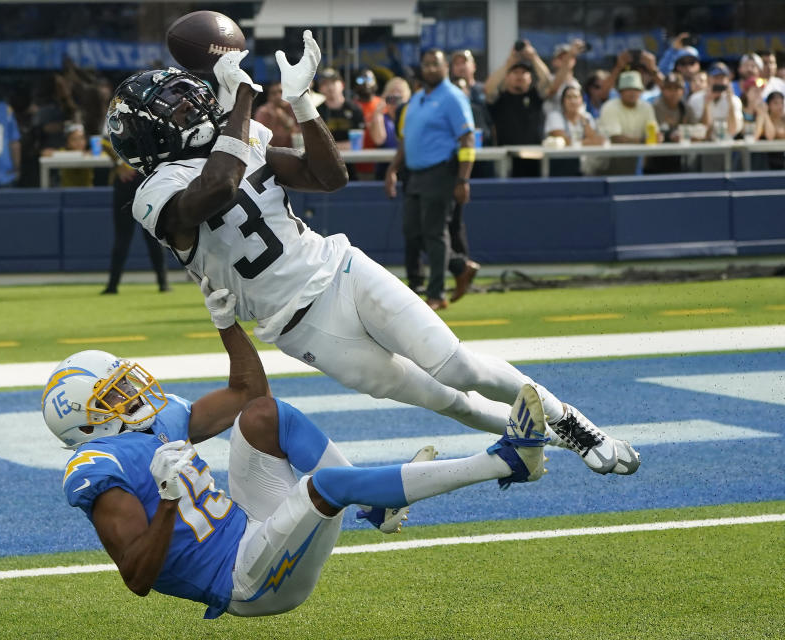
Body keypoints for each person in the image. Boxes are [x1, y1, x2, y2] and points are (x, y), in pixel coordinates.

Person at [105, 33, 640, 480]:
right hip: (298, 326)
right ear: (149, 131)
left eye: (185, 95)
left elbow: (329, 177)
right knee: (445, 400)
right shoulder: (153, 194)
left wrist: (301, 102)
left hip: (342, 270)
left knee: (459, 365)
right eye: (172, 105)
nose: (190, 105)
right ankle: (544, 437)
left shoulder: (241, 137)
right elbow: (217, 187)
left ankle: (572, 422)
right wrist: (242, 98)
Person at [42, 276, 553, 617]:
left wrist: (226, 325)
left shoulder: (153, 425)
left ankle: (376, 505)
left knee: (267, 416)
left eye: (125, 384)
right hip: (243, 580)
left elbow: (249, 394)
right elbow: (135, 576)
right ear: (85, 426)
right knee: (323, 486)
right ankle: (506, 460)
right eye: (116, 394)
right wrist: (170, 501)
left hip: (249, 522)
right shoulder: (98, 466)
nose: (134, 393)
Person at [384, 49, 478, 309]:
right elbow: (405, 140)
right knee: (413, 232)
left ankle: (436, 294)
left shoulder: (452, 97)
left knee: (434, 233)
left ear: (445, 66)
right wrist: (392, 169)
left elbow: (467, 139)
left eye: (435, 64)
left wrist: (463, 180)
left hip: (441, 171)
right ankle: (460, 266)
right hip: (415, 174)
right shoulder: (417, 99)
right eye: (425, 65)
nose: (430, 69)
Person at [101, 135, 170, 295]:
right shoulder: (150, 118)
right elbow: (102, 141)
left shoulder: (118, 117)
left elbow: (104, 141)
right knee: (130, 236)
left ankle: (161, 281)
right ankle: (162, 283)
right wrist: (120, 163)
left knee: (147, 236)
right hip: (141, 181)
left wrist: (121, 163)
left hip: (141, 181)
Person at [486, 42, 553, 176]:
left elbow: (547, 81)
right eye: (515, 72)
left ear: (530, 78)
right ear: (507, 76)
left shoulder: (535, 96)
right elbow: (488, 88)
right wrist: (509, 63)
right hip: (506, 158)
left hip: (534, 157)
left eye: (524, 73)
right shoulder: (499, 98)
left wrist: (533, 57)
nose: (519, 76)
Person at [596, 71, 658, 175]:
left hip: (632, 163)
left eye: (636, 89)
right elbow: (616, 139)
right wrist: (643, 140)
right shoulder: (610, 107)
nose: (632, 93)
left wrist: (656, 137)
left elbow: (654, 135)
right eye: (628, 89)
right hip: (606, 164)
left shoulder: (646, 107)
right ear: (620, 92)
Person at [544, 85, 605, 176]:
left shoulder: (587, 117)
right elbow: (565, 141)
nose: (573, 101)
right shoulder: (555, 116)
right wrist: (587, 143)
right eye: (569, 97)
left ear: (581, 100)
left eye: (576, 97)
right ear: (563, 101)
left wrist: (583, 120)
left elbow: (597, 141)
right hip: (560, 168)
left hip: (585, 168)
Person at [644, 72, 695, 174]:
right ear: (662, 90)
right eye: (669, 88)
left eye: (677, 88)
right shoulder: (654, 108)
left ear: (683, 91)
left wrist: (685, 134)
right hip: (656, 161)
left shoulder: (686, 109)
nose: (673, 92)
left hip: (681, 159)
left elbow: (697, 132)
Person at [253, 82, 299, 148]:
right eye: (274, 93)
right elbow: (259, 137)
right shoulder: (263, 112)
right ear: (269, 97)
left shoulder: (295, 109)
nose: (278, 96)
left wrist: (284, 118)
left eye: (281, 92)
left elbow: (300, 134)